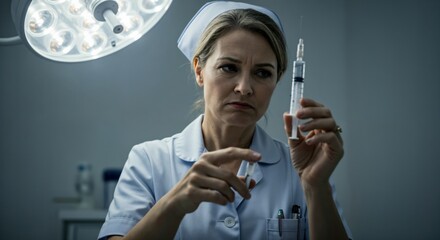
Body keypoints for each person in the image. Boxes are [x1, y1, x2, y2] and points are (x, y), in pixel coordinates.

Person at [98, 1, 352, 239]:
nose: (244, 87)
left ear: (278, 79)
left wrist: (315, 186)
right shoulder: (150, 161)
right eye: (228, 67)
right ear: (199, 70)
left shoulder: (299, 169)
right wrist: (173, 204)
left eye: (262, 73)